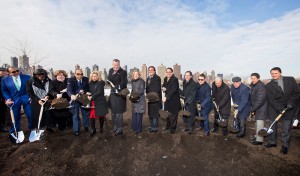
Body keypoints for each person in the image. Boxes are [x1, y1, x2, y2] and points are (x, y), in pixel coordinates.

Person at [265, 67, 300, 154]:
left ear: (280, 73)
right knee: (272, 126)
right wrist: (279, 108)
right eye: (272, 74)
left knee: (286, 128)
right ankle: (272, 142)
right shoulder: (268, 86)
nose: (274, 75)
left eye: (276, 73)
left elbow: (296, 92)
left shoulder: (290, 80)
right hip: (275, 108)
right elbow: (271, 99)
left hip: (289, 108)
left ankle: (285, 145)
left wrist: (291, 102)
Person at [1, 66, 31, 141]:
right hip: (14, 99)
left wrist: (30, 96)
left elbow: (32, 87)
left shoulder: (27, 77)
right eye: (13, 72)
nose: (16, 73)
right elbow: (4, 90)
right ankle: (14, 131)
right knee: (14, 116)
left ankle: (33, 129)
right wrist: (8, 98)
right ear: (9, 73)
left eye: (17, 71)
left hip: (26, 97)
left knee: (30, 114)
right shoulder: (5, 80)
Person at [26, 69, 52, 133]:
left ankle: (48, 127)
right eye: (37, 75)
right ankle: (38, 129)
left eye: (42, 74)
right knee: (37, 115)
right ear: (35, 75)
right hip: (36, 101)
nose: (40, 76)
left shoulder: (49, 81)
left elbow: (51, 89)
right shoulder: (30, 82)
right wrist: (38, 100)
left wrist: (48, 96)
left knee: (48, 115)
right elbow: (30, 93)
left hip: (47, 100)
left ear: (45, 74)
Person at [107, 59, 128, 136]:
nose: (116, 66)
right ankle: (115, 128)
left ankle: (119, 129)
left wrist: (116, 87)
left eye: (117, 65)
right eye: (114, 65)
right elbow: (109, 79)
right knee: (113, 113)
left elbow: (123, 82)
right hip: (112, 95)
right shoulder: (110, 70)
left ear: (119, 64)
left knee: (119, 113)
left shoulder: (123, 72)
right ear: (112, 64)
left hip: (119, 95)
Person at [67, 69, 90, 136]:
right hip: (75, 99)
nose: (80, 75)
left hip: (83, 99)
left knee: (85, 113)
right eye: (78, 74)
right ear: (75, 74)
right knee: (75, 115)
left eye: (81, 74)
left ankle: (86, 126)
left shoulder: (86, 79)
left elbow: (87, 88)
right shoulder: (70, 80)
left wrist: (85, 91)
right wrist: (72, 95)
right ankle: (76, 130)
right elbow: (69, 89)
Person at [87, 71, 108, 137]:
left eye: (95, 76)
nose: (94, 77)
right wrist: (87, 93)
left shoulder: (101, 83)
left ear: (98, 76)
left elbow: (99, 92)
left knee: (100, 115)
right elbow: (89, 91)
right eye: (92, 76)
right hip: (92, 101)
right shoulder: (90, 83)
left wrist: (92, 96)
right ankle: (93, 129)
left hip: (100, 101)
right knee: (92, 116)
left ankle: (101, 128)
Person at [250, 73, 268, 145]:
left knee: (260, 124)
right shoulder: (254, 85)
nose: (253, 80)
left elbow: (260, 100)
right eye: (252, 78)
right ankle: (257, 136)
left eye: (254, 78)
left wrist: (253, 108)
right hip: (257, 108)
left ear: (258, 78)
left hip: (261, 108)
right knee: (257, 124)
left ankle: (259, 140)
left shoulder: (260, 86)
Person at [162, 67, 180, 134]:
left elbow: (173, 90)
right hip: (167, 100)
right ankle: (168, 125)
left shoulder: (175, 79)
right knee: (167, 114)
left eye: (169, 72)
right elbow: (164, 86)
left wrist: (166, 97)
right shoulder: (165, 79)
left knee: (173, 115)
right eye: (167, 72)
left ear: (172, 73)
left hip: (174, 100)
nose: (168, 73)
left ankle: (173, 129)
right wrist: (163, 88)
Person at [145, 66, 161, 133]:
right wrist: (147, 96)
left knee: (155, 114)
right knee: (150, 113)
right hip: (150, 99)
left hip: (155, 99)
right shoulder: (148, 78)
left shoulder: (157, 78)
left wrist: (151, 96)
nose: (150, 71)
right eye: (149, 70)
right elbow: (147, 88)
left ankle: (154, 128)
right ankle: (152, 126)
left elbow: (157, 89)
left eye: (152, 70)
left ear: (154, 71)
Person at [130, 70, 146, 134]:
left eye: (137, 74)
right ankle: (134, 128)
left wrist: (134, 95)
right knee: (134, 114)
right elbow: (132, 90)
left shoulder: (142, 81)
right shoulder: (132, 81)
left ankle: (138, 130)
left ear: (139, 75)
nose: (135, 75)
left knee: (139, 115)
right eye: (134, 74)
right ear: (133, 75)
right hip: (134, 100)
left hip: (140, 100)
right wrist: (131, 96)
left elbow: (142, 91)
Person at [0, 67, 8, 132]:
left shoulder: (4, 79)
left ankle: (2, 126)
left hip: (3, 99)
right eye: (2, 71)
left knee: (3, 113)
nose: (4, 72)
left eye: (4, 71)